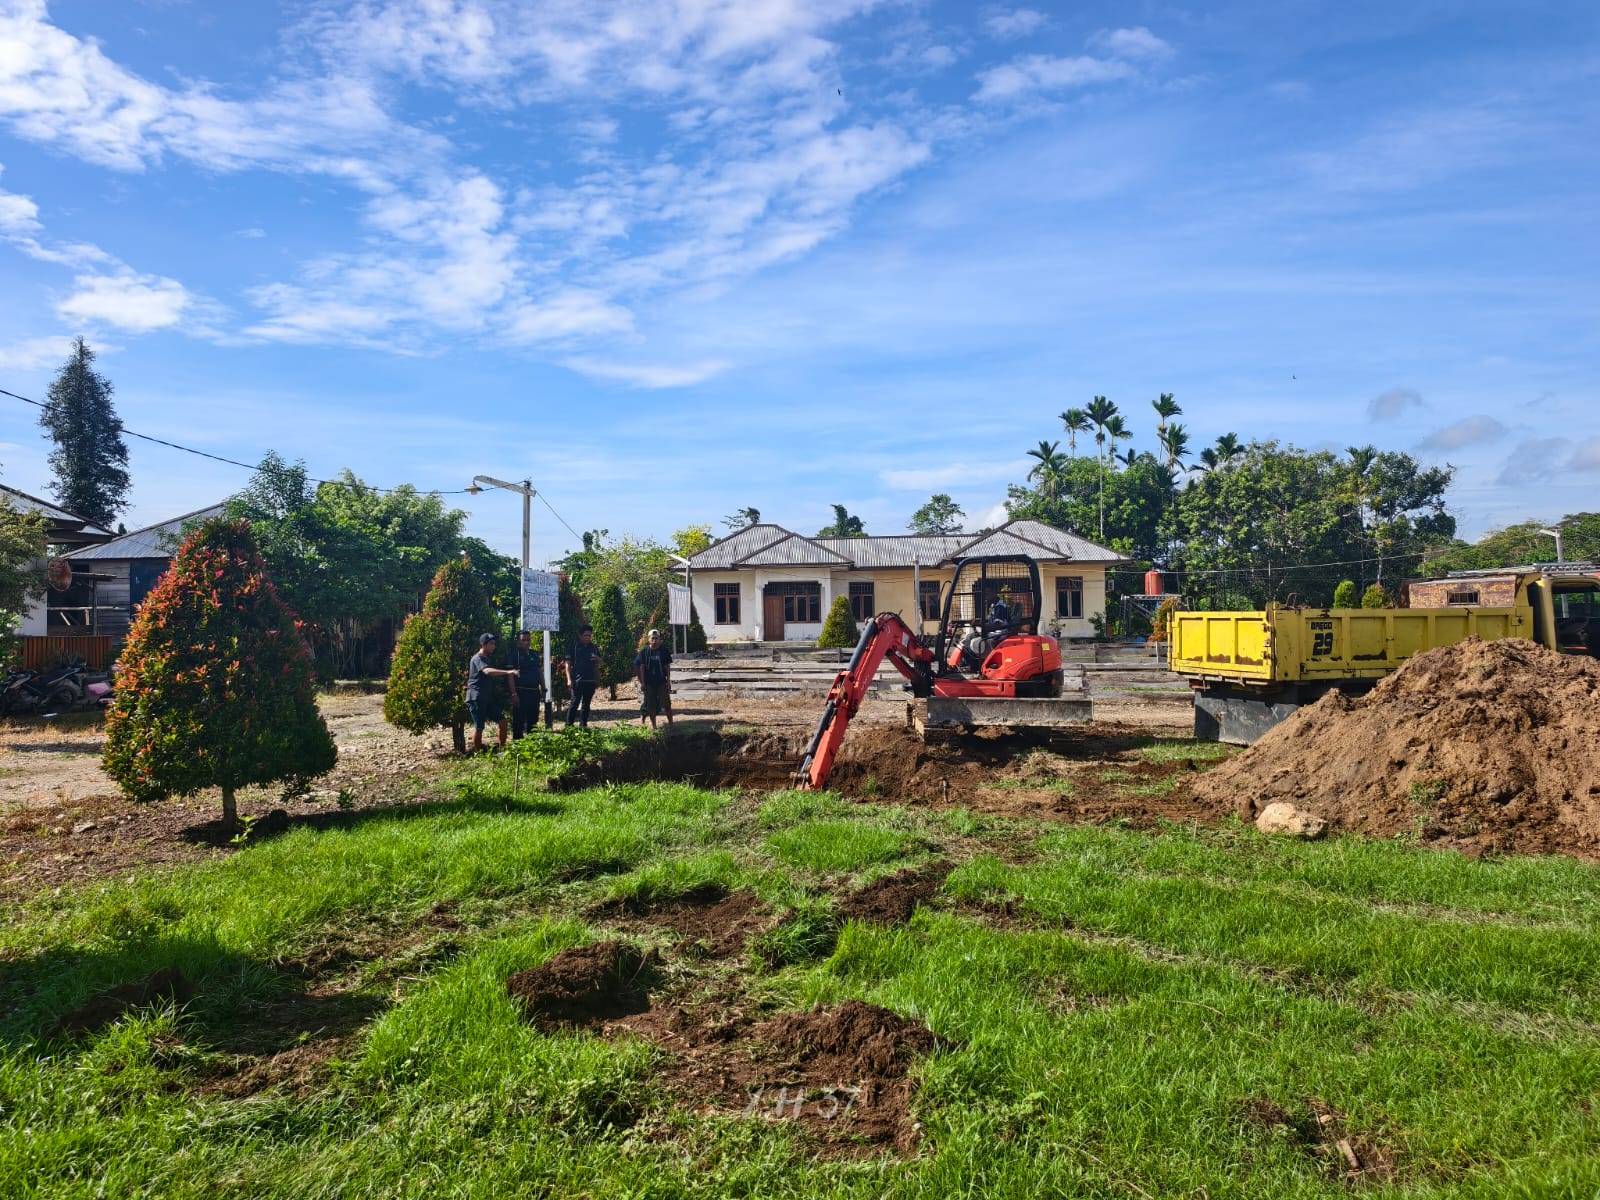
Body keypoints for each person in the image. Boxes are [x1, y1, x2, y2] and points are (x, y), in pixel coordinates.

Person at [466, 633, 518, 752]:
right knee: (479, 727)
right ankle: (477, 754)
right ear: (483, 645)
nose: (494, 646)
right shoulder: (477, 658)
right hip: (476, 698)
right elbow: (488, 671)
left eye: (494, 644)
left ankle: (502, 751)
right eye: (491, 644)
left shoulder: (486, 658)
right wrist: (508, 672)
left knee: (503, 722)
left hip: (487, 698)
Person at [508, 630, 545, 739]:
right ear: (518, 642)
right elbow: (510, 675)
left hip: (534, 692)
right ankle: (518, 747)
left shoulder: (534, 654)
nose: (526, 642)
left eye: (528, 640)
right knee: (519, 722)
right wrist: (514, 693)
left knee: (533, 721)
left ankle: (532, 744)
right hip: (521, 692)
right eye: (523, 640)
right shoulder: (514, 655)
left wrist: (543, 688)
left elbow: (539, 672)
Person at [634, 628, 673, 728]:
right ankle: (654, 725)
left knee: (667, 704)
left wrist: (668, 681)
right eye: (652, 638)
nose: (654, 641)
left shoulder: (664, 650)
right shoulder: (644, 652)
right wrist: (642, 682)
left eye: (656, 638)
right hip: (649, 683)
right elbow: (640, 666)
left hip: (661, 682)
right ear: (648, 639)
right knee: (650, 705)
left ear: (660, 639)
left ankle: (671, 724)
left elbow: (667, 666)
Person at [564, 624, 602, 729]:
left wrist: (597, 658)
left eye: (589, 636)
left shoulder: (593, 647)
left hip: (590, 680)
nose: (588, 637)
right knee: (574, 703)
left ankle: (583, 726)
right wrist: (569, 679)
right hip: (577, 681)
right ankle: (568, 726)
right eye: (586, 635)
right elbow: (567, 664)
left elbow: (600, 661)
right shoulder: (574, 647)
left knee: (586, 705)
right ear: (580, 636)